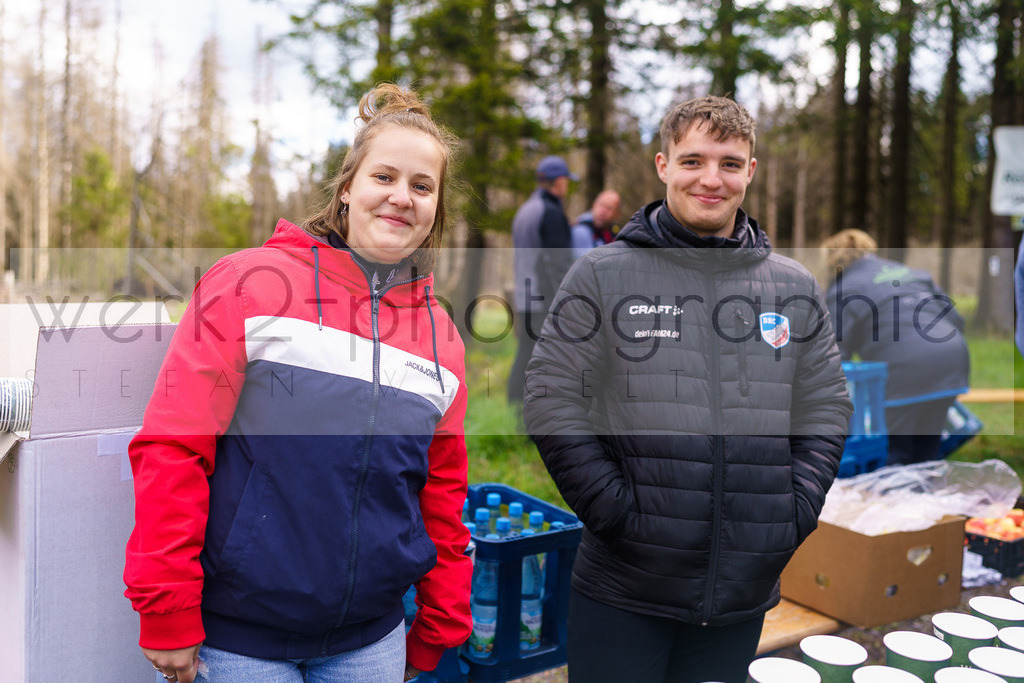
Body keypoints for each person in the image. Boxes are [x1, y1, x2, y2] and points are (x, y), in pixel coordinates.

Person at [124, 84, 472, 683]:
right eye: (383, 176)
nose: (401, 197)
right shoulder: (250, 283)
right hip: (237, 643)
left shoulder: (440, 336)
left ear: (436, 208)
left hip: (371, 642)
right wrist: (167, 608)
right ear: (346, 189)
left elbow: (442, 492)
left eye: (422, 186)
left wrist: (439, 625)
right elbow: (174, 446)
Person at [522, 96, 852, 683]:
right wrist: (615, 512)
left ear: (750, 172)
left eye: (730, 163)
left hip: (742, 589)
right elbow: (552, 396)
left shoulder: (793, 286)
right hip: (625, 586)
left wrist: (792, 511)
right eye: (693, 160)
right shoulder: (601, 274)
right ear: (663, 166)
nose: (711, 179)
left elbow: (825, 404)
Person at [823, 229, 970, 465]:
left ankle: (900, 484)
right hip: (952, 360)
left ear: (833, 259)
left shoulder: (844, 288)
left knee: (895, 453)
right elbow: (956, 319)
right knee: (927, 449)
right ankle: (924, 484)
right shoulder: (914, 274)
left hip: (905, 369)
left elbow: (833, 350)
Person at [507, 155, 576, 406]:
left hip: (525, 293)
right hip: (543, 295)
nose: (567, 186)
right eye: (566, 180)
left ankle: (515, 405)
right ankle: (533, 410)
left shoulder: (527, 209)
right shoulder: (551, 211)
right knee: (543, 355)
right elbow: (557, 262)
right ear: (559, 182)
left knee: (526, 351)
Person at [571, 189, 622, 258]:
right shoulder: (581, 230)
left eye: (609, 208)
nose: (603, 211)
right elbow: (588, 261)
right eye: (601, 205)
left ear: (617, 214)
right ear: (594, 205)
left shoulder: (614, 232)